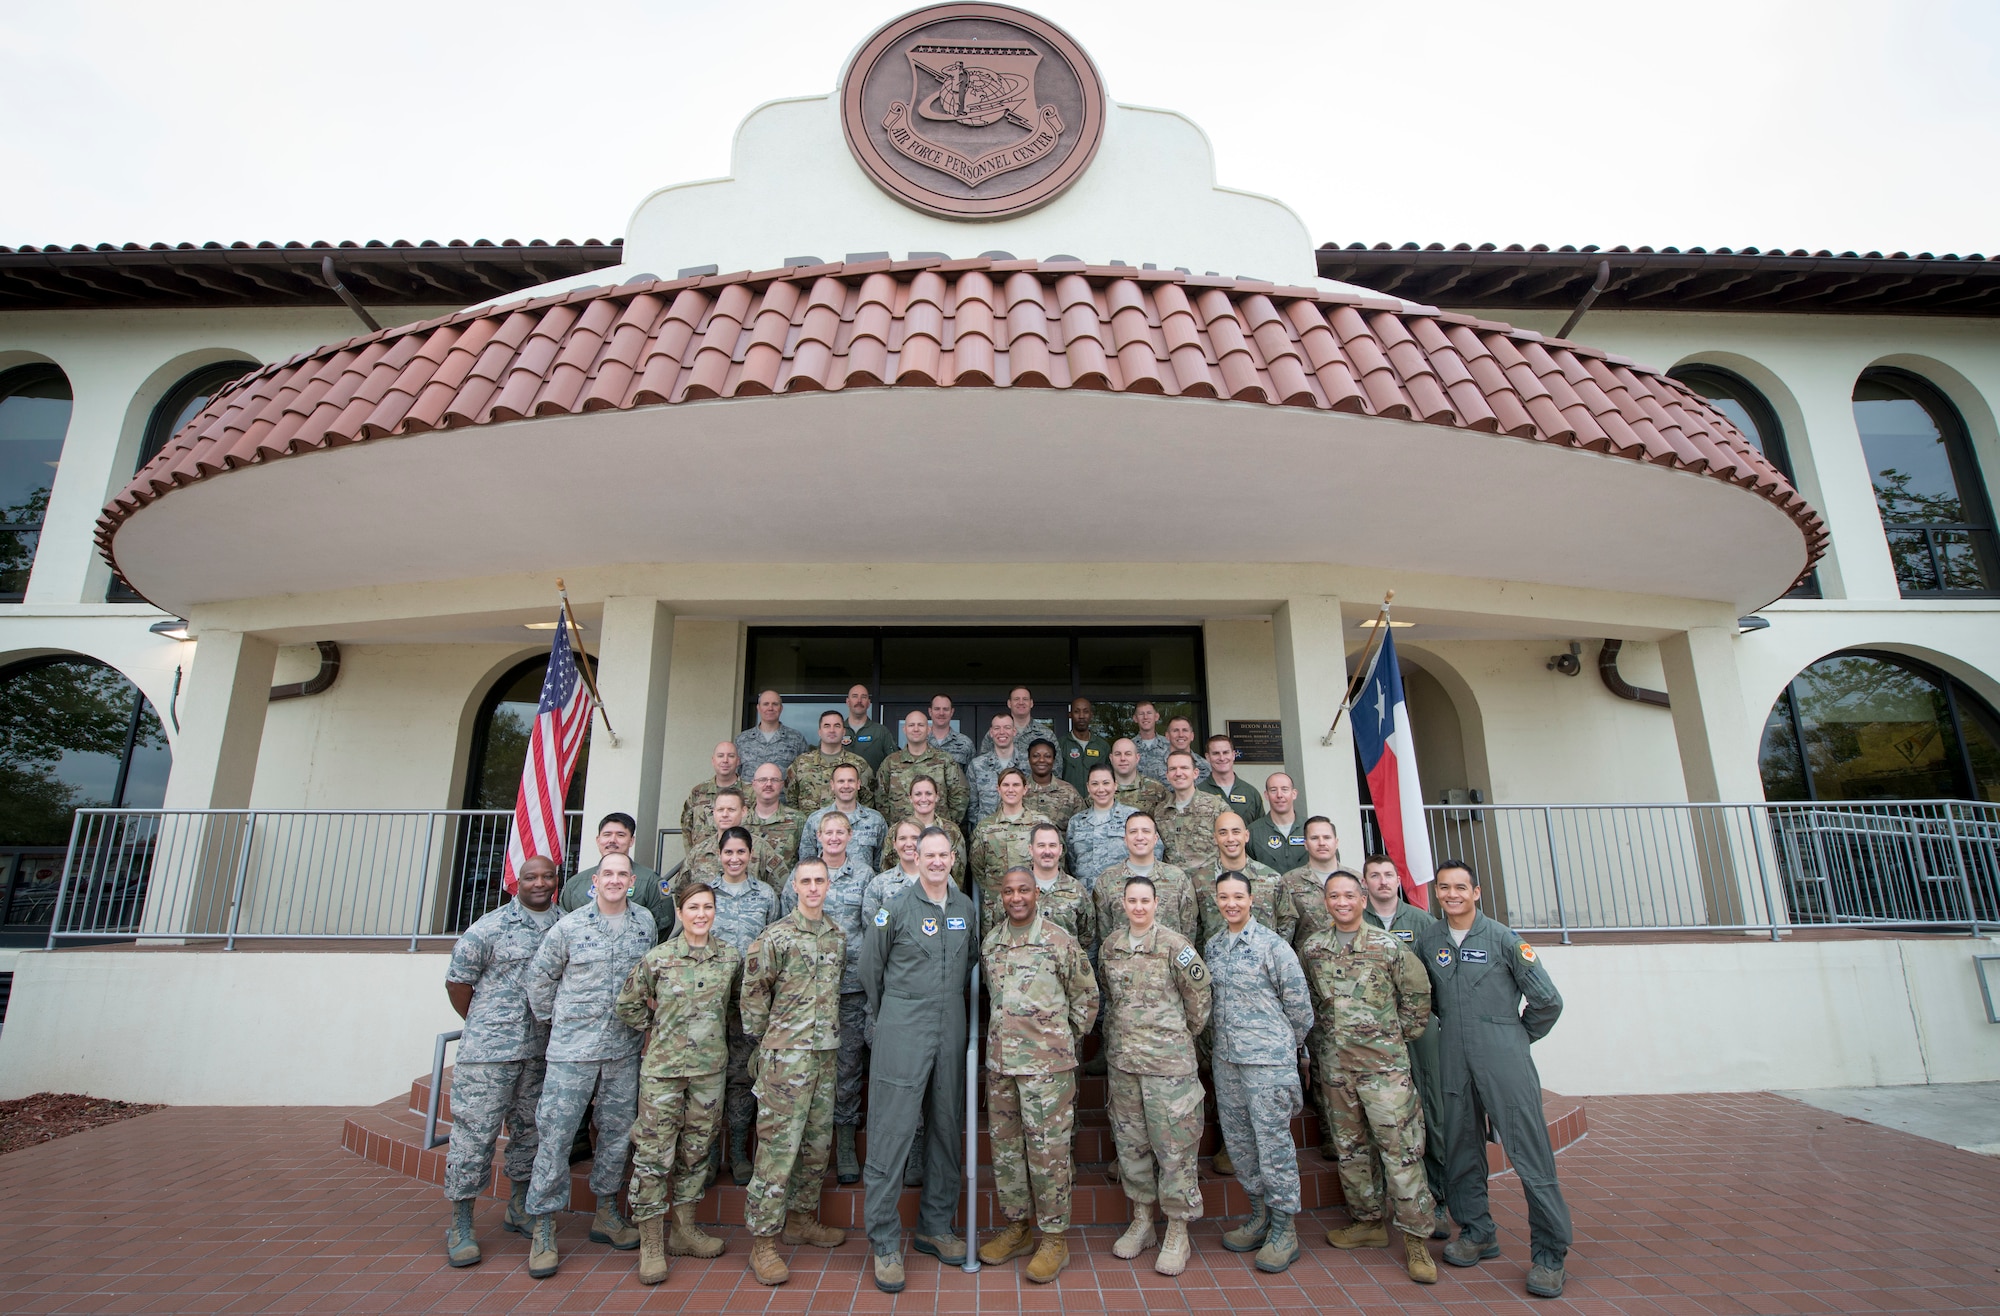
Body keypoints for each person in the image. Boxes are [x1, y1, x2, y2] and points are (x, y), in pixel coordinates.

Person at [1417, 860, 1572, 1300]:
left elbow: (1547, 1001)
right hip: (1453, 1054)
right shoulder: (1431, 939)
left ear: (1476, 892)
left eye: (1460, 887)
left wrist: (1516, 1038)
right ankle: (1477, 1230)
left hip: (1503, 1054)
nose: (1451, 895)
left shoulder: (1504, 939)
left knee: (1528, 1152)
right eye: (1444, 888)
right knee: (1461, 1145)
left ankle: (1549, 1253)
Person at [521, 852, 657, 1279]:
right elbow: (539, 981)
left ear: (631, 881)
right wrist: (560, 1022)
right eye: (608, 874)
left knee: (618, 1134)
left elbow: (647, 981)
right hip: (572, 1051)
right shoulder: (570, 926)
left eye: (622, 874)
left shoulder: (645, 923)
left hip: (622, 1049)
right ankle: (543, 1225)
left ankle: (606, 1211)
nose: (615, 881)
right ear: (595, 881)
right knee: (557, 1135)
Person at [1299, 871, 1439, 1285]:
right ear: (1325, 901)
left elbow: (1417, 996)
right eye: (1333, 896)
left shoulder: (1387, 946)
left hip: (1384, 1071)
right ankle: (1369, 1222)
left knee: (1400, 1150)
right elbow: (1309, 1001)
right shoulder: (1313, 948)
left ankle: (1416, 1239)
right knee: (1351, 1150)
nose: (1341, 902)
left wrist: (1396, 1038)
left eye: (1349, 895)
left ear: (1363, 899)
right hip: (1337, 1069)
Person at [859, 827, 978, 1293]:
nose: (935, 861)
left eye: (943, 854)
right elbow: (871, 968)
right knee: (892, 1129)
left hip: (950, 1021)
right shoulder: (895, 907)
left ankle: (934, 1226)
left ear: (953, 858)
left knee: (947, 1125)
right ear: (914, 856)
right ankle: (885, 1241)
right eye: (927, 854)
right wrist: (897, 1011)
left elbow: (969, 961)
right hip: (903, 1021)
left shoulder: (966, 907)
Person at [975, 867, 1100, 1283]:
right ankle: (1017, 1227)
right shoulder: (992, 942)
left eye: (1023, 889)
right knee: (1007, 1154)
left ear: (1036, 894)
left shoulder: (1059, 940)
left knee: (1048, 1154)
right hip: (1002, 1066)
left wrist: (1062, 1042)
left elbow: (1086, 996)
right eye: (1008, 890)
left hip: (1048, 1070)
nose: (1015, 897)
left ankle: (1054, 1238)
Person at [612, 881, 736, 1283]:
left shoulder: (729, 958)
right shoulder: (659, 959)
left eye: (708, 907)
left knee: (698, 1150)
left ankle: (684, 1230)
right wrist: (658, 1028)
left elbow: (735, 1006)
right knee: (654, 1154)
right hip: (664, 1072)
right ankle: (651, 1240)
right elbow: (627, 1004)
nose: (701, 914)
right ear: (680, 913)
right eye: (693, 907)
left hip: (708, 1072)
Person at [441, 855, 560, 1268]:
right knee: (476, 1135)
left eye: (547, 876)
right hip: (489, 1055)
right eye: (531, 877)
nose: (540, 883)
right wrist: (487, 1024)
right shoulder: (488, 928)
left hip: (542, 1051)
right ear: (517, 882)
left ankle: (520, 1207)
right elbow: (458, 983)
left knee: (531, 1132)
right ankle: (460, 1222)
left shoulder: (567, 924)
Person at [738, 858, 849, 1286]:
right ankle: (763, 1242)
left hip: (825, 1054)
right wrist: (768, 1045)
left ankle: (801, 1219)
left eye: (820, 880)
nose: (814, 887)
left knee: (817, 1144)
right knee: (778, 1150)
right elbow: (753, 994)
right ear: (795, 887)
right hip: (787, 1057)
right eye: (806, 881)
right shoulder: (776, 936)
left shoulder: (836, 936)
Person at [1101, 873, 1211, 1277]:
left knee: (1175, 1148)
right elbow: (1110, 997)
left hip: (1169, 1067)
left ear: (1156, 903)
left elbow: (1199, 998)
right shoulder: (1111, 947)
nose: (1139, 907)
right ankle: (1143, 1220)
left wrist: (1180, 1035)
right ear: (1123, 904)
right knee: (1132, 1146)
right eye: (1132, 900)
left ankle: (1178, 1230)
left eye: (1145, 900)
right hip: (1125, 1063)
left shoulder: (1176, 947)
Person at [1206, 871, 1316, 1274]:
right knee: (1239, 1143)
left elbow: (1300, 1010)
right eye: (1224, 897)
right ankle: (1259, 1215)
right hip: (1228, 1061)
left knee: (1273, 1145)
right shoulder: (1214, 946)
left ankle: (1285, 1229)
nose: (1231, 903)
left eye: (1238, 896)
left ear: (1251, 900)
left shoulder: (1273, 946)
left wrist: (1285, 1050)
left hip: (1268, 1063)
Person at [780, 812, 875, 1186]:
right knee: (804, 1070)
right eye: (827, 832)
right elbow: (787, 922)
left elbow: (871, 929)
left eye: (841, 832)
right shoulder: (801, 873)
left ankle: (846, 1142)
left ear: (850, 836)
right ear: (817, 835)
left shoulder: (864, 876)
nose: (834, 837)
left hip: (849, 986)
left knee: (848, 1067)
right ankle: (803, 1148)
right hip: (805, 988)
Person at [1361, 852, 1448, 1236]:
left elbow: (1439, 980)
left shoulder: (1423, 923)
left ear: (1398, 880)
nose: (1382, 881)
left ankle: (1439, 1196)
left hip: (1419, 1029)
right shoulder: (1353, 922)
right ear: (1364, 884)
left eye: (1388, 875)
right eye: (1374, 875)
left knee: (1430, 1107)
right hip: (1374, 1035)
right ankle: (1389, 1203)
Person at [706, 827, 779, 1186]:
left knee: (741, 1077)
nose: (734, 858)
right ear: (719, 855)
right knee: (706, 1078)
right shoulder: (706, 895)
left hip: (748, 1005)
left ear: (751, 855)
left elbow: (773, 944)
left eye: (741, 852)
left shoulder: (766, 895)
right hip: (709, 1004)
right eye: (728, 852)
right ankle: (704, 1156)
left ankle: (737, 1151)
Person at [559, 813, 674, 942]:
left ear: (631, 840)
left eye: (620, 835)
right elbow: (563, 926)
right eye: (607, 835)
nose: (612, 840)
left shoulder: (651, 881)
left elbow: (663, 927)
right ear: (598, 840)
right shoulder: (575, 883)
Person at [1094, 811, 1199, 944]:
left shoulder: (1177, 878)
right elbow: (1103, 932)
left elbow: (1188, 930)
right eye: (1133, 832)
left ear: (1155, 839)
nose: (1139, 837)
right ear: (1125, 839)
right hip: (1123, 961)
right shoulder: (1107, 880)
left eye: (1146, 831)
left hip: (1167, 961)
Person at [1197, 811, 1294, 949]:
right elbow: (1195, 930)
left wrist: (1273, 954)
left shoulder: (1271, 878)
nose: (1230, 839)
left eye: (1236, 832)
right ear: (1215, 838)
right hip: (1218, 963)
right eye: (1223, 833)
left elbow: (1287, 922)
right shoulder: (1200, 880)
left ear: (1246, 835)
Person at [969, 767, 1051, 923]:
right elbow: (978, 868)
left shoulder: (1041, 824)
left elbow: (1053, 863)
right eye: (1006, 785)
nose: (1011, 790)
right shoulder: (985, 828)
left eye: (1016, 785)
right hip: (996, 909)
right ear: (998, 789)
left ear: (1025, 789)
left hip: (1034, 907)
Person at [877, 709, 971, 825]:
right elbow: (880, 797)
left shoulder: (944, 760)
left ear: (928, 729)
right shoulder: (891, 762)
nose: (916, 729)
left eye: (920, 725)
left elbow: (960, 794)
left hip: (937, 833)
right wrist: (894, 826)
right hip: (903, 835)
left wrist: (946, 824)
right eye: (911, 725)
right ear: (904, 729)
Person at [681, 788, 785, 892]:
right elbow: (682, 892)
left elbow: (781, 890)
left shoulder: (762, 849)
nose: (725, 814)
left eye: (731, 809)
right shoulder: (698, 852)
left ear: (743, 811)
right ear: (714, 813)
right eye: (720, 810)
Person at [798, 764, 889, 872]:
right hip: (827, 886)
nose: (846, 786)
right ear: (832, 785)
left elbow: (882, 864)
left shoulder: (875, 820)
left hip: (866, 886)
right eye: (841, 781)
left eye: (851, 781)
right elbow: (807, 864)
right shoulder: (816, 820)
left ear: (858, 784)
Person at [786, 709, 876, 814]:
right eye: (827, 726)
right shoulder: (801, 763)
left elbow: (868, 800)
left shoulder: (859, 764)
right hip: (810, 827)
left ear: (843, 732)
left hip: (846, 827)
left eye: (837, 726)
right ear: (819, 732)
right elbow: (791, 797)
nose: (832, 730)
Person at [1065, 763, 1137, 893]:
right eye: (1095, 784)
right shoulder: (1076, 822)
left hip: (1121, 896)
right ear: (1088, 787)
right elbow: (1072, 862)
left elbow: (1152, 852)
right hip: (1086, 897)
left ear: (1115, 785)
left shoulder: (1132, 818)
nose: (1101, 789)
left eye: (1106, 783)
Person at [1024, 821, 1094, 950]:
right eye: (1041, 845)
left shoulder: (1076, 891)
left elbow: (1087, 936)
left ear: (1060, 850)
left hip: (1065, 967)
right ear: (1030, 849)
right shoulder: (1017, 889)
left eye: (1052, 845)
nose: (1047, 851)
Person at [1282, 816, 1349, 947]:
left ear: (1336, 842)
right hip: (1308, 961)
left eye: (1327, 837)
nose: (1321, 843)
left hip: (1351, 960)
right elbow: (1285, 930)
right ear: (1305, 844)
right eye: (1314, 838)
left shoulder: (1355, 879)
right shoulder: (1289, 881)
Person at [1156, 750, 1227, 871]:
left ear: (1195, 773)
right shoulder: (1160, 812)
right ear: (1167, 775)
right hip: (1173, 885)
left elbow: (1231, 845)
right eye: (1173, 769)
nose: (1178, 773)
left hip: (1208, 884)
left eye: (1184, 768)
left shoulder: (1217, 806)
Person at [966, 714, 1034, 826]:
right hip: (987, 832)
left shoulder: (1028, 763)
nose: (1002, 732)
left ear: (1014, 731)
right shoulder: (977, 765)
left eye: (1007, 727)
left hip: (1021, 831)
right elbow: (972, 805)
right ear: (991, 732)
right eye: (997, 728)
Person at [744, 763, 808, 875]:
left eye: (774, 780)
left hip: (785, 890)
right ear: (753, 784)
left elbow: (806, 862)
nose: (768, 784)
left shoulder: (798, 820)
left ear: (782, 784)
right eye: (762, 780)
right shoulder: (741, 821)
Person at [902, 775, 966, 885]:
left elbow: (958, 873)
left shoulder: (952, 831)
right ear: (910, 798)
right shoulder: (898, 831)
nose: (923, 799)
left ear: (936, 797)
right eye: (918, 794)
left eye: (928, 794)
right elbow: (888, 867)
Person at [736, 689, 812, 781]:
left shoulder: (796, 738)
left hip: (783, 795)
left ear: (781, 708)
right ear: (758, 708)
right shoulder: (742, 739)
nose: (770, 708)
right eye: (766, 704)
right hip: (749, 795)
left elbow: (804, 773)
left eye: (775, 704)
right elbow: (735, 773)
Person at [680, 741, 744, 849]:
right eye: (720, 756)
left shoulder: (751, 793)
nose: (725, 760)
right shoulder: (698, 792)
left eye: (731, 756)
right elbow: (686, 827)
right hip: (704, 860)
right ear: (713, 760)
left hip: (737, 859)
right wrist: (692, 856)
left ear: (738, 761)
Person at [1197, 734, 1265, 824]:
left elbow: (1259, 830)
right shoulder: (1198, 791)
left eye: (1225, 752)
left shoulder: (1250, 793)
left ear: (1233, 755)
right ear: (1208, 757)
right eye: (1216, 753)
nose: (1222, 758)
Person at [1248, 772, 1308, 872]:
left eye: (1284, 789)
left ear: (1294, 794)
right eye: (1273, 790)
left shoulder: (1310, 829)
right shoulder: (1253, 832)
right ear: (1266, 795)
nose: (1279, 795)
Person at [979, 685, 1057, 758]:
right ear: (1009, 703)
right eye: (1016, 699)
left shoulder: (1046, 734)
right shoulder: (996, 734)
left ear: (1031, 703)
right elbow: (983, 762)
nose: (1021, 702)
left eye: (1025, 699)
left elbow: (1056, 766)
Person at [1054, 696, 1111, 793]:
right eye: (1076, 711)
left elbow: (1109, 778)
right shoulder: (1060, 744)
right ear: (1070, 715)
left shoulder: (1102, 746)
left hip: (1097, 801)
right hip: (1069, 803)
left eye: (1085, 711)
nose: (1081, 716)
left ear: (1091, 715)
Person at [1024, 740, 1084, 829]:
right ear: (1029, 759)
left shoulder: (1069, 792)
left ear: (1054, 760)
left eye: (1047, 756)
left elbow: (1082, 827)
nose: (1041, 760)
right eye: (1036, 756)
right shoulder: (1017, 790)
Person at [841, 683, 899, 771]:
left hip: (872, 784)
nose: (859, 700)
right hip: (842, 784)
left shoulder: (880, 731)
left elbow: (895, 762)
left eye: (863, 697)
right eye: (855, 696)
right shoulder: (837, 730)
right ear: (848, 702)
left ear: (868, 703)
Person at [1110, 737, 1170, 815]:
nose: (1123, 758)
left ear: (1137, 758)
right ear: (1111, 758)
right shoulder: (1101, 791)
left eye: (1128, 754)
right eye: (1118, 754)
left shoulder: (1156, 789)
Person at [927, 694, 976, 768]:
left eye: (945, 709)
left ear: (952, 712)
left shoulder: (965, 743)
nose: (941, 713)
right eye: (937, 709)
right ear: (930, 711)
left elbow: (971, 777)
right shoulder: (920, 741)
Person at [1163, 716, 1213, 785]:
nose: (1181, 735)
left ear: (1192, 736)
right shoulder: (1153, 766)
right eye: (1175, 730)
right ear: (1167, 736)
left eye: (1185, 730)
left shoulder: (1206, 766)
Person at [1130, 701, 1171, 783]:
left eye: (1149, 713)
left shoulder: (1169, 745)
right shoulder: (1129, 747)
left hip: (1166, 795)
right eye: (1141, 714)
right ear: (1135, 718)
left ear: (1156, 716)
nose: (1145, 717)